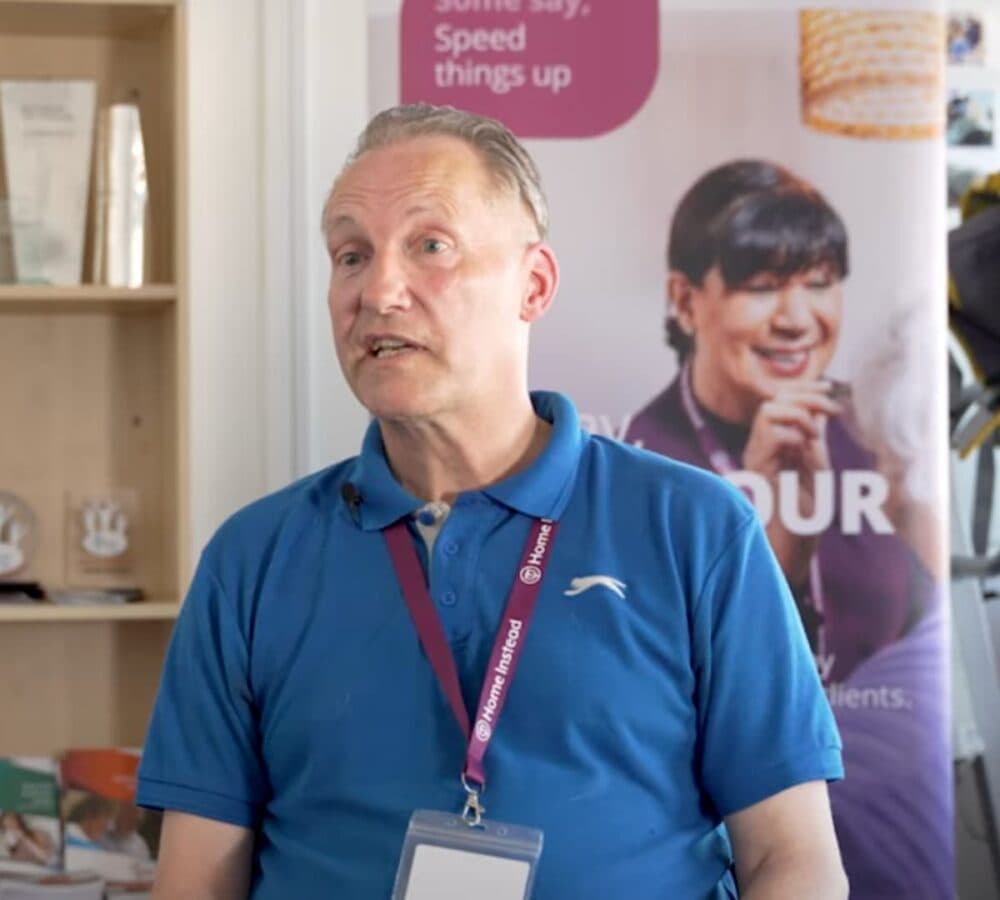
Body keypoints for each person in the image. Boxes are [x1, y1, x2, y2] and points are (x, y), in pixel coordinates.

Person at [136, 104, 847, 899]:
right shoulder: (253, 560)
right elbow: (195, 881)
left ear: (533, 285)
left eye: (429, 246)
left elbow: (793, 859)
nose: (378, 290)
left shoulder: (696, 529)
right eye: (349, 255)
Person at [625, 159, 937, 684]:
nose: (796, 319)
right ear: (684, 300)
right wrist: (783, 557)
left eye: (819, 282)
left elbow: (926, 632)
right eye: (764, 286)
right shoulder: (641, 463)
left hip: (885, 753)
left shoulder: (877, 436)